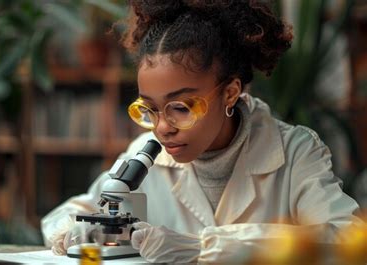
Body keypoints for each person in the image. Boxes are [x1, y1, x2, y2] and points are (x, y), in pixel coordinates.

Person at [41, 0, 362, 263]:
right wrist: (69, 230)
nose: (163, 128)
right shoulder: (147, 152)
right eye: (149, 109)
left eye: (180, 107)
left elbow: (346, 241)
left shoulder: (294, 151)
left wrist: (203, 247)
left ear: (230, 93)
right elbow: (73, 211)